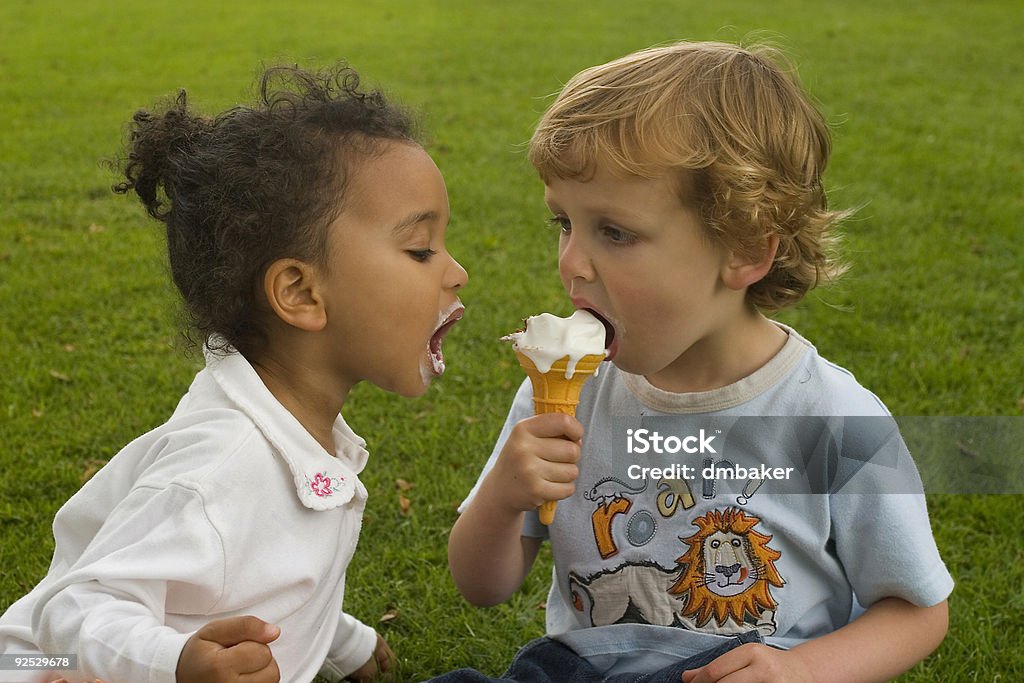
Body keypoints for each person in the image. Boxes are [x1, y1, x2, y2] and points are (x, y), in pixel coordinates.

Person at [442, 41, 952, 682]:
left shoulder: (834, 417)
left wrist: (804, 672)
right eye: (563, 223)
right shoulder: (574, 393)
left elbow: (917, 610)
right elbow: (483, 586)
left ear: (742, 251)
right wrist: (499, 499)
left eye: (615, 232)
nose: (571, 261)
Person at [0, 63, 468, 683]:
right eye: (420, 250)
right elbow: (73, 616)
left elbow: (271, 566)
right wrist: (179, 663)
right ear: (300, 293)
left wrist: (340, 641)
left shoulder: (297, 431)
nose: (455, 272)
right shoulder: (221, 467)